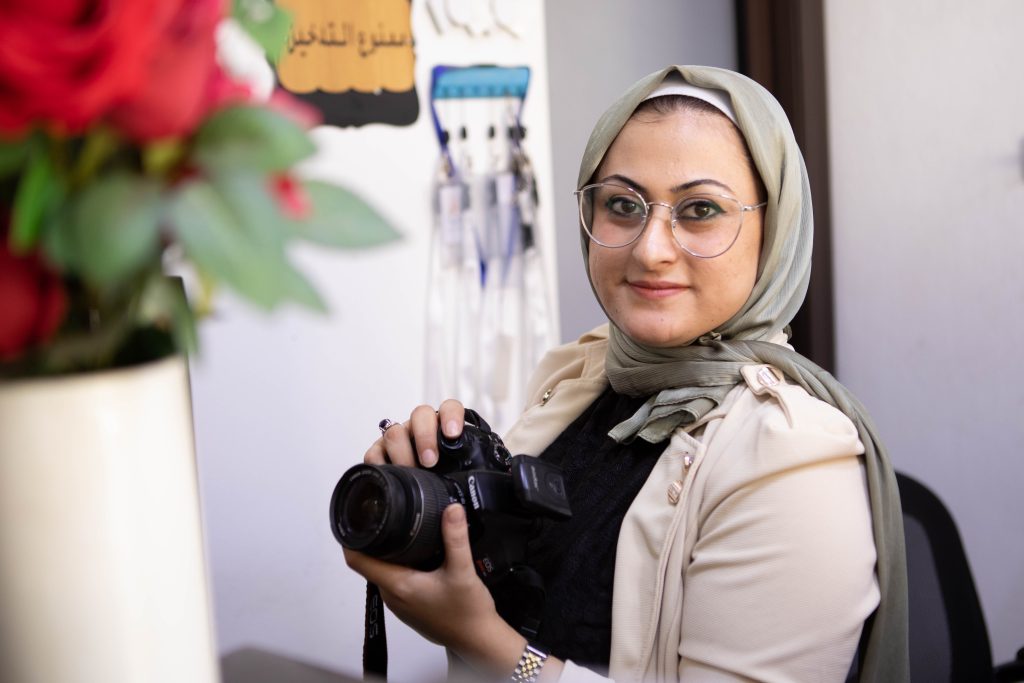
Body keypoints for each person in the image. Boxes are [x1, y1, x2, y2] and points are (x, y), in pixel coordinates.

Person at [344, 65, 909, 682]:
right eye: (621, 204)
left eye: (700, 210)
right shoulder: (580, 373)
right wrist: (431, 508)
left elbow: (494, 638)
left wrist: (483, 642)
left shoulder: (793, 457)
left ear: (773, 233)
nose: (649, 249)